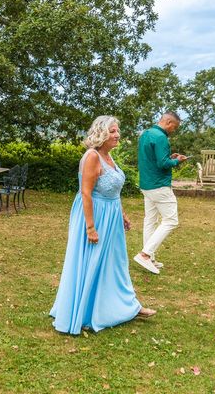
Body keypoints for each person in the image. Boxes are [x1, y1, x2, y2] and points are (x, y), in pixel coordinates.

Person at [50, 116, 156, 335]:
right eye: (113, 131)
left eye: (118, 131)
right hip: (95, 216)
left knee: (114, 264)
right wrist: (90, 227)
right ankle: (86, 313)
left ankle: (126, 306)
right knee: (92, 262)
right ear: (102, 133)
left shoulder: (109, 157)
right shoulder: (92, 156)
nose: (118, 135)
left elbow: (113, 192)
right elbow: (86, 193)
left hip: (112, 217)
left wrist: (122, 214)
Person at [133, 111, 188, 275]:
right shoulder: (161, 137)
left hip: (146, 184)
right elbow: (163, 164)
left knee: (150, 220)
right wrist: (177, 160)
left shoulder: (146, 134)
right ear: (169, 123)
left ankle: (150, 258)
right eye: (175, 127)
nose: (174, 130)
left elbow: (154, 158)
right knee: (171, 220)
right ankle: (145, 254)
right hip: (159, 185)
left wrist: (170, 157)